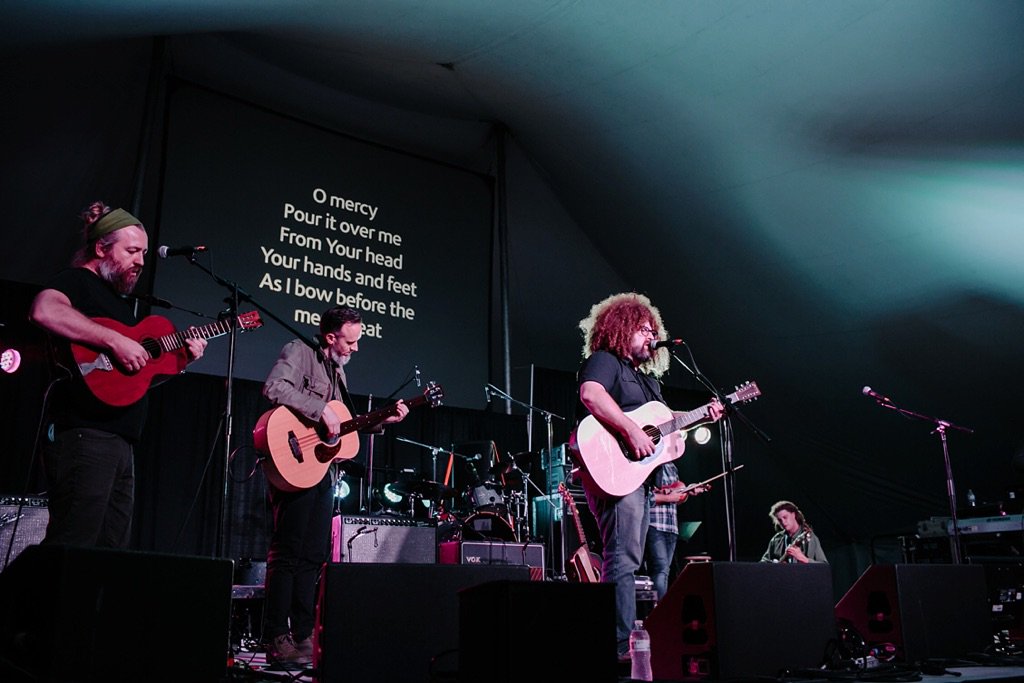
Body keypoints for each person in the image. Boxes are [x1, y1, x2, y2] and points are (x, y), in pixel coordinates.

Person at [28, 201, 207, 548]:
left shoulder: (122, 304)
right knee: (74, 545)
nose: (141, 261)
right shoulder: (77, 281)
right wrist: (114, 339)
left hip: (120, 442)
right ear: (101, 248)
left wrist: (182, 361)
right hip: (85, 435)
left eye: (143, 252)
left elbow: (136, 377)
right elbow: (43, 309)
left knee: (110, 551)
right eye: (132, 251)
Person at [573, 292, 723, 661]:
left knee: (631, 559)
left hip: (639, 481)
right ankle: (619, 646)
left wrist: (705, 413)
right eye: (642, 329)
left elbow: (668, 426)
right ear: (621, 329)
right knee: (622, 559)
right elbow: (591, 394)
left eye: (652, 330)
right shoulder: (606, 362)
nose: (650, 336)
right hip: (611, 469)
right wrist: (630, 430)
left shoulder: (649, 385)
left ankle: (627, 640)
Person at [260, 305, 408, 668]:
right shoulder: (300, 352)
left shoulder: (338, 372)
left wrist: (383, 419)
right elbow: (274, 387)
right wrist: (318, 408)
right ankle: (276, 636)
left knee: (313, 554)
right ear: (330, 337)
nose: (356, 348)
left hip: (322, 471)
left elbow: (341, 426)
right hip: (292, 462)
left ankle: (303, 634)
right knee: (288, 551)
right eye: (351, 340)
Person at [645, 462, 706, 599]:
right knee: (660, 569)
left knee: (665, 571)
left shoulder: (672, 467)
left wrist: (687, 492)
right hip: (654, 524)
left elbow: (676, 497)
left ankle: (660, 609)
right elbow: (644, 498)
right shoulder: (650, 463)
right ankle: (658, 612)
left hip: (671, 526)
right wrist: (668, 497)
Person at [760, 500, 827, 564]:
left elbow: (824, 566)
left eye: (785, 517)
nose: (783, 522)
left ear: (793, 514)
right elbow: (763, 563)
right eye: (780, 520)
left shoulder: (810, 537)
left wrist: (804, 559)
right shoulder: (776, 539)